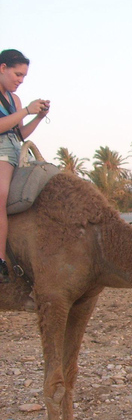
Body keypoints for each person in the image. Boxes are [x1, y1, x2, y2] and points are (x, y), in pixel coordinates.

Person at [0, 49, 50, 284]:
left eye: (23, 77)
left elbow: (19, 133)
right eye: (17, 75)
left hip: (14, 152)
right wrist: (26, 110)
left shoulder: (14, 100)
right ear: (2, 68)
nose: (20, 81)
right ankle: (0, 260)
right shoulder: (19, 104)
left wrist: (37, 117)